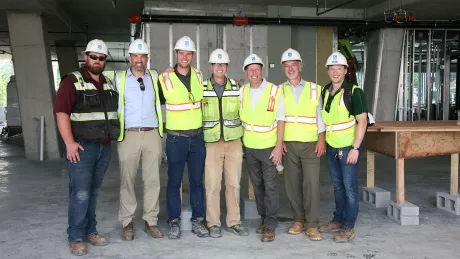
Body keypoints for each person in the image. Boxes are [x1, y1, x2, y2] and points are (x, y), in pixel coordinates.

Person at [54, 39, 119, 256]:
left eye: (101, 58)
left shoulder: (108, 83)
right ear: (86, 57)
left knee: (93, 192)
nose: (97, 61)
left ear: (105, 61)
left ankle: (91, 231)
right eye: (94, 57)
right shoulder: (72, 81)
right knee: (80, 193)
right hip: (82, 148)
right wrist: (69, 143)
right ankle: (75, 237)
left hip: (104, 147)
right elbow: (62, 112)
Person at [158, 36, 209, 239]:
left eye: (189, 53)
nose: (185, 57)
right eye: (182, 53)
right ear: (176, 55)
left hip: (197, 138)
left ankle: (198, 220)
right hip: (176, 139)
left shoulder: (198, 75)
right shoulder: (164, 79)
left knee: (197, 181)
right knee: (174, 182)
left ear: (193, 56)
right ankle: (174, 221)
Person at [115, 39, 164, 241]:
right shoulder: (119, 79)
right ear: (129, 58)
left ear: (147, 58)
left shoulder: (155, 76)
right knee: (128, 180)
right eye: (135, 56)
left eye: (142, 56)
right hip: (129, 135)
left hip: (152, 134)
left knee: (153, 180)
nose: (139, 60)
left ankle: (150, 221)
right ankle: (127, 222)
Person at [318, 51, 368, 243]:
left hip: (348, 147)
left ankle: (348, 226)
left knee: (349, 187)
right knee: (337, 186)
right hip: (332, 146)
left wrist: (356, 148)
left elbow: (362, 122)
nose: (335, 72)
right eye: (332, 68)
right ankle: (338, 219)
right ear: (328, 71)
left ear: (345, 70)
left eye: (339, 68)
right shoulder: (326, 91)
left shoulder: (355, 92)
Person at [279, 48, 326, 241]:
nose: (291, 69)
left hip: (310, 144)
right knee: (292, 184)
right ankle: (298, 220)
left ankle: (312, 224)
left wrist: (322, 139)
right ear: (283, 69)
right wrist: (279, 141)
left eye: (294, 65)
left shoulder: (315, 89)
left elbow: (320, 116)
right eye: (287, 66)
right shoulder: (279, 90)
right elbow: (277, 119)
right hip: (288, 144)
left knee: (311, 184)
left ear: (300, 66)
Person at [202, 48, 249, 238]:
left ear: (227, 66)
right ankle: (213, 223)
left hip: (234, 141)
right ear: (211, 66)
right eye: (216, 64)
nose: (220, 68)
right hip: (212, 142)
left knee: (234, 184)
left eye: (223, 64)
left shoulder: (237, 87)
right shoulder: (202, 88)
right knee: (212, 185)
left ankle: (234, 222)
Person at [239, 53, 284, 242]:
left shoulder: (274, 91)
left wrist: (278, 147)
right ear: (246, 72)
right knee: (257, 186)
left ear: (262, 71)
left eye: (257, 69)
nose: (254, 73)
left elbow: (281, 120)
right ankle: (264, 219)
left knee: (271, 186)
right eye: (250, 70)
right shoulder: (242, 91)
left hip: (269, 147)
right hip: (249, 147)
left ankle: (271, 225)